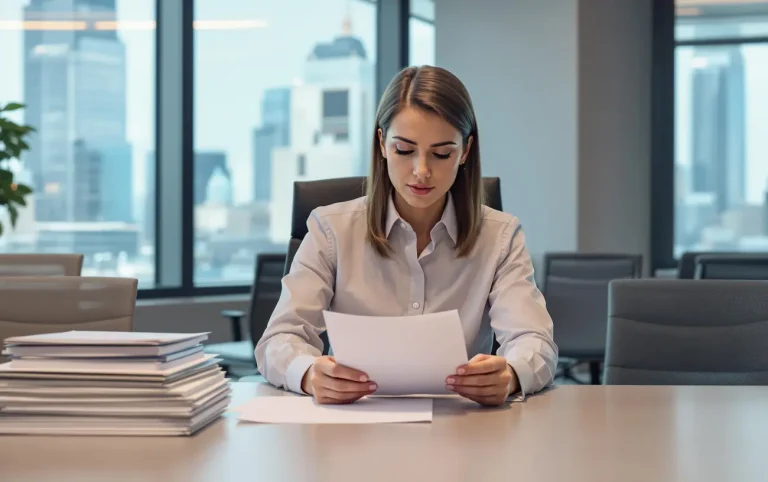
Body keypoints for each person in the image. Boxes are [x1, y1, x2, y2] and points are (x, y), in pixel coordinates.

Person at [256, 66, 557, 406]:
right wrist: (309, 373)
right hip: (353, 429)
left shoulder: (500, 237)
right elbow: (279, 339)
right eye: (404, 150)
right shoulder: (330, 230)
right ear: (382, 143)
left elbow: (535, 341)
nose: (422, 171)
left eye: (442, 154)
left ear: (466, 152)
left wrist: (512, 374)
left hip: (464, 432)